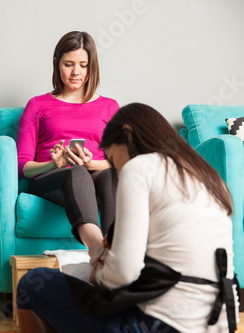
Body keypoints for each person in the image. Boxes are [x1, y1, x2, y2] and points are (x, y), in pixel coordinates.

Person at [16, 103, 238, 332]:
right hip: (219, 323)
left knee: (32, 282)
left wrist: (97, 274)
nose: (117, 171)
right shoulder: (208, 178)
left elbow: (123, 274)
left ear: (128, 134)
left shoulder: (140, 167)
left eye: (113, 159)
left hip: (161, 324)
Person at [17, 31, 119, 262]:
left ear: (91, 66)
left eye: (83, 65)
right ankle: (96, 248)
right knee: (76, 172)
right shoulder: (37, 105)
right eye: (69, 64)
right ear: (56, 63)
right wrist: (53, 163)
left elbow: (118, 160)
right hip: (51, 180)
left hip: (95, 175)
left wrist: (91, 162)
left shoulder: (109, 107)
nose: (76, 72)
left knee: (110, 174)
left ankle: (115, 249)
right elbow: (22, 165)